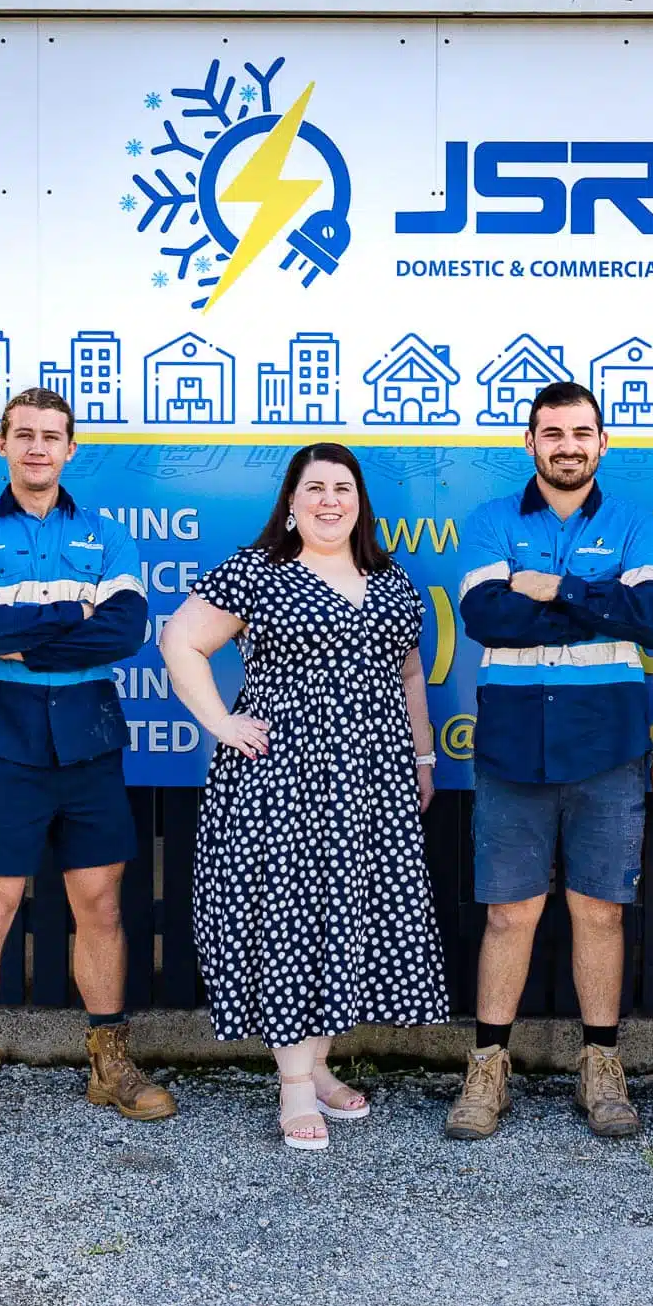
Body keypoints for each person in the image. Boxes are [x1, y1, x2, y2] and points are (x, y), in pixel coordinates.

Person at [162, 443, 449, 1151]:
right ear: (290, 502)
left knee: (344, 915)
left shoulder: (389, 581)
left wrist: (421, 755)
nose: (329, 500)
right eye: (313, 487)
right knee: (289, 916)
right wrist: (221, 722)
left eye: (342, 488)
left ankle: (317, 1065)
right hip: (282, 777)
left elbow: (411, 673)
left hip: (371, 781)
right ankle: (292, 1085)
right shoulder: (258, 570)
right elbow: (180, 640)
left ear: (360, 502)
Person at [0, 387, 174, 1151]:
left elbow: (126, 630)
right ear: (1, 444)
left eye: (53, 436)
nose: (38, 448)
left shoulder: (108, 534)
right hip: (0, 741)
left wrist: (24, 636)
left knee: (99, 904)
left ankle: (108, 1059)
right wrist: (71, 619)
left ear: (73, 448)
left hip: (90, 737)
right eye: (24, 435)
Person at [444, 380, 653, 1141]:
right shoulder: (488, 522)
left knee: (599, 913)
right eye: (553, 433)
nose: (568, 445)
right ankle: (487, 1068)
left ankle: (601, 1066)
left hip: (608, 752)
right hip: (513, 750)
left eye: (582, 433)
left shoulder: (635, 523)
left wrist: (557, 586)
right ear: (531, 442)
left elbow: (650, 618)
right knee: (509, 914)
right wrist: (595, 597)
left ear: (602, 442)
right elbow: (487, 615)